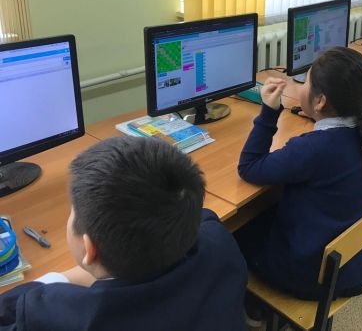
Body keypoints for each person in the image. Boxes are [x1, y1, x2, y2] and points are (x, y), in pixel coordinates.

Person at [0, 136, 248, 330]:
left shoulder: (60, 314)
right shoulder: (218, 239)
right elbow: (202, 216)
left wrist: (68, 274)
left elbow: (11, 308)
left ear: (89, 248)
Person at [236, 47, 362, 302]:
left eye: (305, 83)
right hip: (352, 263)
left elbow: (248, 167)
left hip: (313, 277)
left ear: (320, 101)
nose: (301, 87)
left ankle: (253, 306)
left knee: (234, 230)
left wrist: (269, 112)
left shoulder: (313, 149)